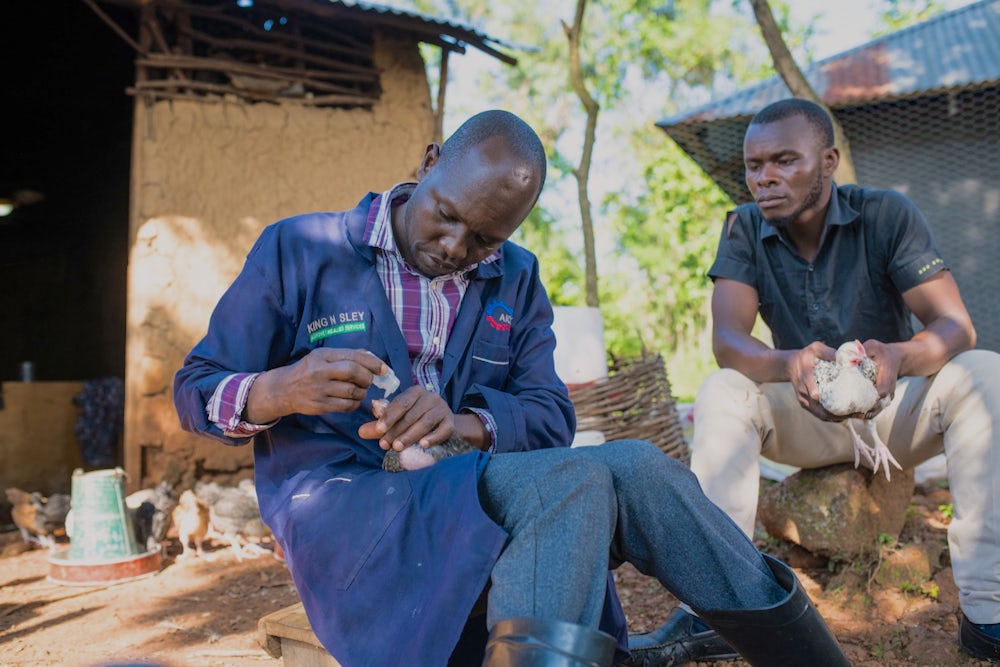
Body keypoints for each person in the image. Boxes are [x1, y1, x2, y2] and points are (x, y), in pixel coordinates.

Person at [174, 109, 848, 667]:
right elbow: (195, 391)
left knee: (641, 466)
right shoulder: (301, 249)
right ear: (431, 160)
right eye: (446, 215)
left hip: (465, 484)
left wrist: (460, 423)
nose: (454, 246)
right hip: (347, 506)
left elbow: (549, 414)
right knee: (571, 484)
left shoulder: (515, 277)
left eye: (484, 239)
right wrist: (281, 387)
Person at [650, 97, 1000, 663]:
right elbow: (728, 342)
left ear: (829, 160)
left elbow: (956, 325)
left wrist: (897, 355)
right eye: (753, 165)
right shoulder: (741, 227)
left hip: (892, 417)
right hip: (804, 419)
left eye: (784, 160)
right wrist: (788, 363)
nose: (764, 178)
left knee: (987, 371)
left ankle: (989, 613)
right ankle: (715, 613)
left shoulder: (886, 213)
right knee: (722, 389)